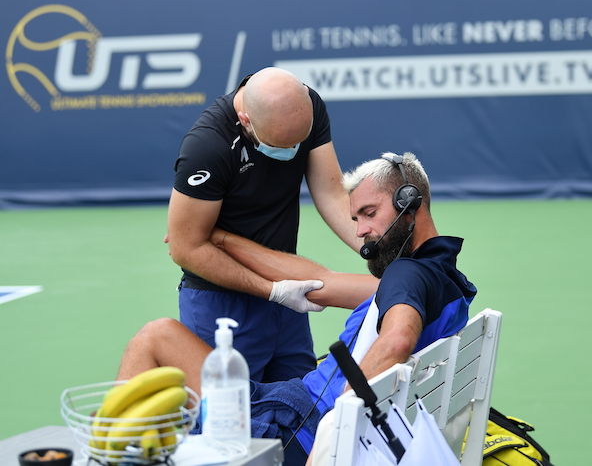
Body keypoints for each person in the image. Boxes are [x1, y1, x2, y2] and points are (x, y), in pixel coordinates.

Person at [118, 152, 477, 466]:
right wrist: (215, 237)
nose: (362, 232)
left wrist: (339, 423)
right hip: (307, 415)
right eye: (357, 219)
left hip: (300, 429)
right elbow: (319, 281)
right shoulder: (443, 279)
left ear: (408, 202)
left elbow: (397, 340)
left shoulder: (406, 274)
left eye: (369, 213)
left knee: (155, 338)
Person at [168, 66, 361, 384]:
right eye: (282, 145)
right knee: (229, 422)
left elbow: (331, 194)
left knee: (301, 414)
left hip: (288, 296)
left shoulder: (305, 106)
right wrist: (272, 291)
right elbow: (186, 248)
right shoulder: (207, 148)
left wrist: (376, 252)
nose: (292, 153)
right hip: (222, 305)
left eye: (298, 143)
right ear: (246, 121)